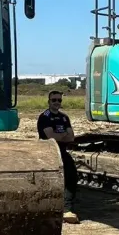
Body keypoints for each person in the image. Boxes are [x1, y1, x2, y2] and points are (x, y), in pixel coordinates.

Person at [37, 90, 80, 224]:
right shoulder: (45, 117)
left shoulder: (64, 117)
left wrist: (59, 135)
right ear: (48, 102)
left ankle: (67, 210)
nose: (57, 103)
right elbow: (51, 138)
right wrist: (62, 135)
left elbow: (71, 137)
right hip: (48, 150)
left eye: (59, 100)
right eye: (54, 100)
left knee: (72, 176)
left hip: (61, 150)